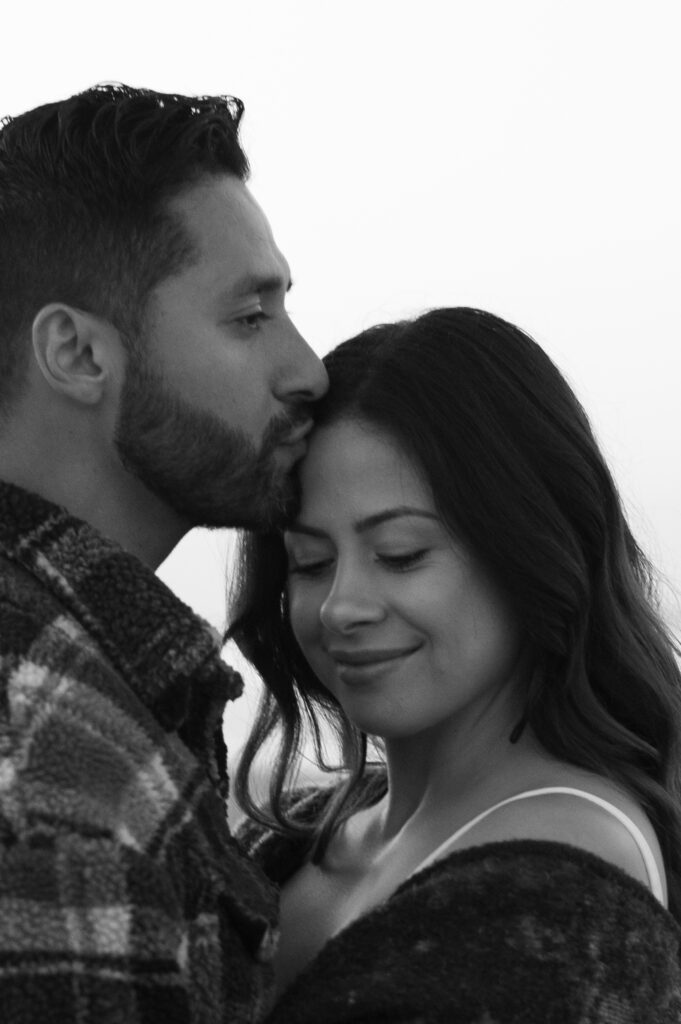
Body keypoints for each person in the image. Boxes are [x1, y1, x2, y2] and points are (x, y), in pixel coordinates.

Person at [231, 307, 681, 1023]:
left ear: (526, 549)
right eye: (309, 562)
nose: (340, 605)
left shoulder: (562, 873)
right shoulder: (311, 831)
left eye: (401, 554)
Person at [0, 84, 327, 1023]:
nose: (308, 371)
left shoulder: (94, 695)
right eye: (249, 318)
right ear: (78, 352)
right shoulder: (51, 781)